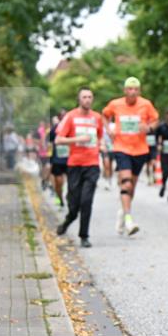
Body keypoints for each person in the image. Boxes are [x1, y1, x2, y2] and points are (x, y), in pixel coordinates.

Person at [101, 77, 159, 236]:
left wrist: (149, 128)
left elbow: (155, 120)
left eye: (135, 89)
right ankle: (128, 220)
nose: (132, 92)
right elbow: (104, 115)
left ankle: (123, 212)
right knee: (126, 184)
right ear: (125, 90)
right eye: (130, 89)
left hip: (140, 150)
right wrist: (109, 130)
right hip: (121, 148)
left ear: (139, 91)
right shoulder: (116, 104)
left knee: (131, 187)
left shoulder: (146, 104)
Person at [55, 88, 104, 248]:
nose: (87, 100)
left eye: (90, 97)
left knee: (86, 201)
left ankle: (84, 236)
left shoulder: (97, 118)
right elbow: (58, 140)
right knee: (74, 205)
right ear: (79, 99)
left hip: (92, 164)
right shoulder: (70, 116)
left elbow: (100, 137)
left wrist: (102, 145)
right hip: (75, 164)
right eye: (84, 97)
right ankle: (68, 220)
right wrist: (78, 139)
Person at [48, 112, 68, 208]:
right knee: (58, 182)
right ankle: (59, 198)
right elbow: (50, 143)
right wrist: (50, 156)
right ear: (59, 118)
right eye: (62, 116)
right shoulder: (54, 129)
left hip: (70, 158)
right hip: (57, 159)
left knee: (72, 181)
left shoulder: (72, 127)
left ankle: (69, 195)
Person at [101, 120, 115, 190]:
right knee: (106, 164)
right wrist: (102, 144)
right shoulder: (101, 125)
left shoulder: (114, 125)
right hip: (104, 147)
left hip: (112, 146)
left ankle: (110, 179)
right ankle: (106, 180)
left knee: (110, 165)